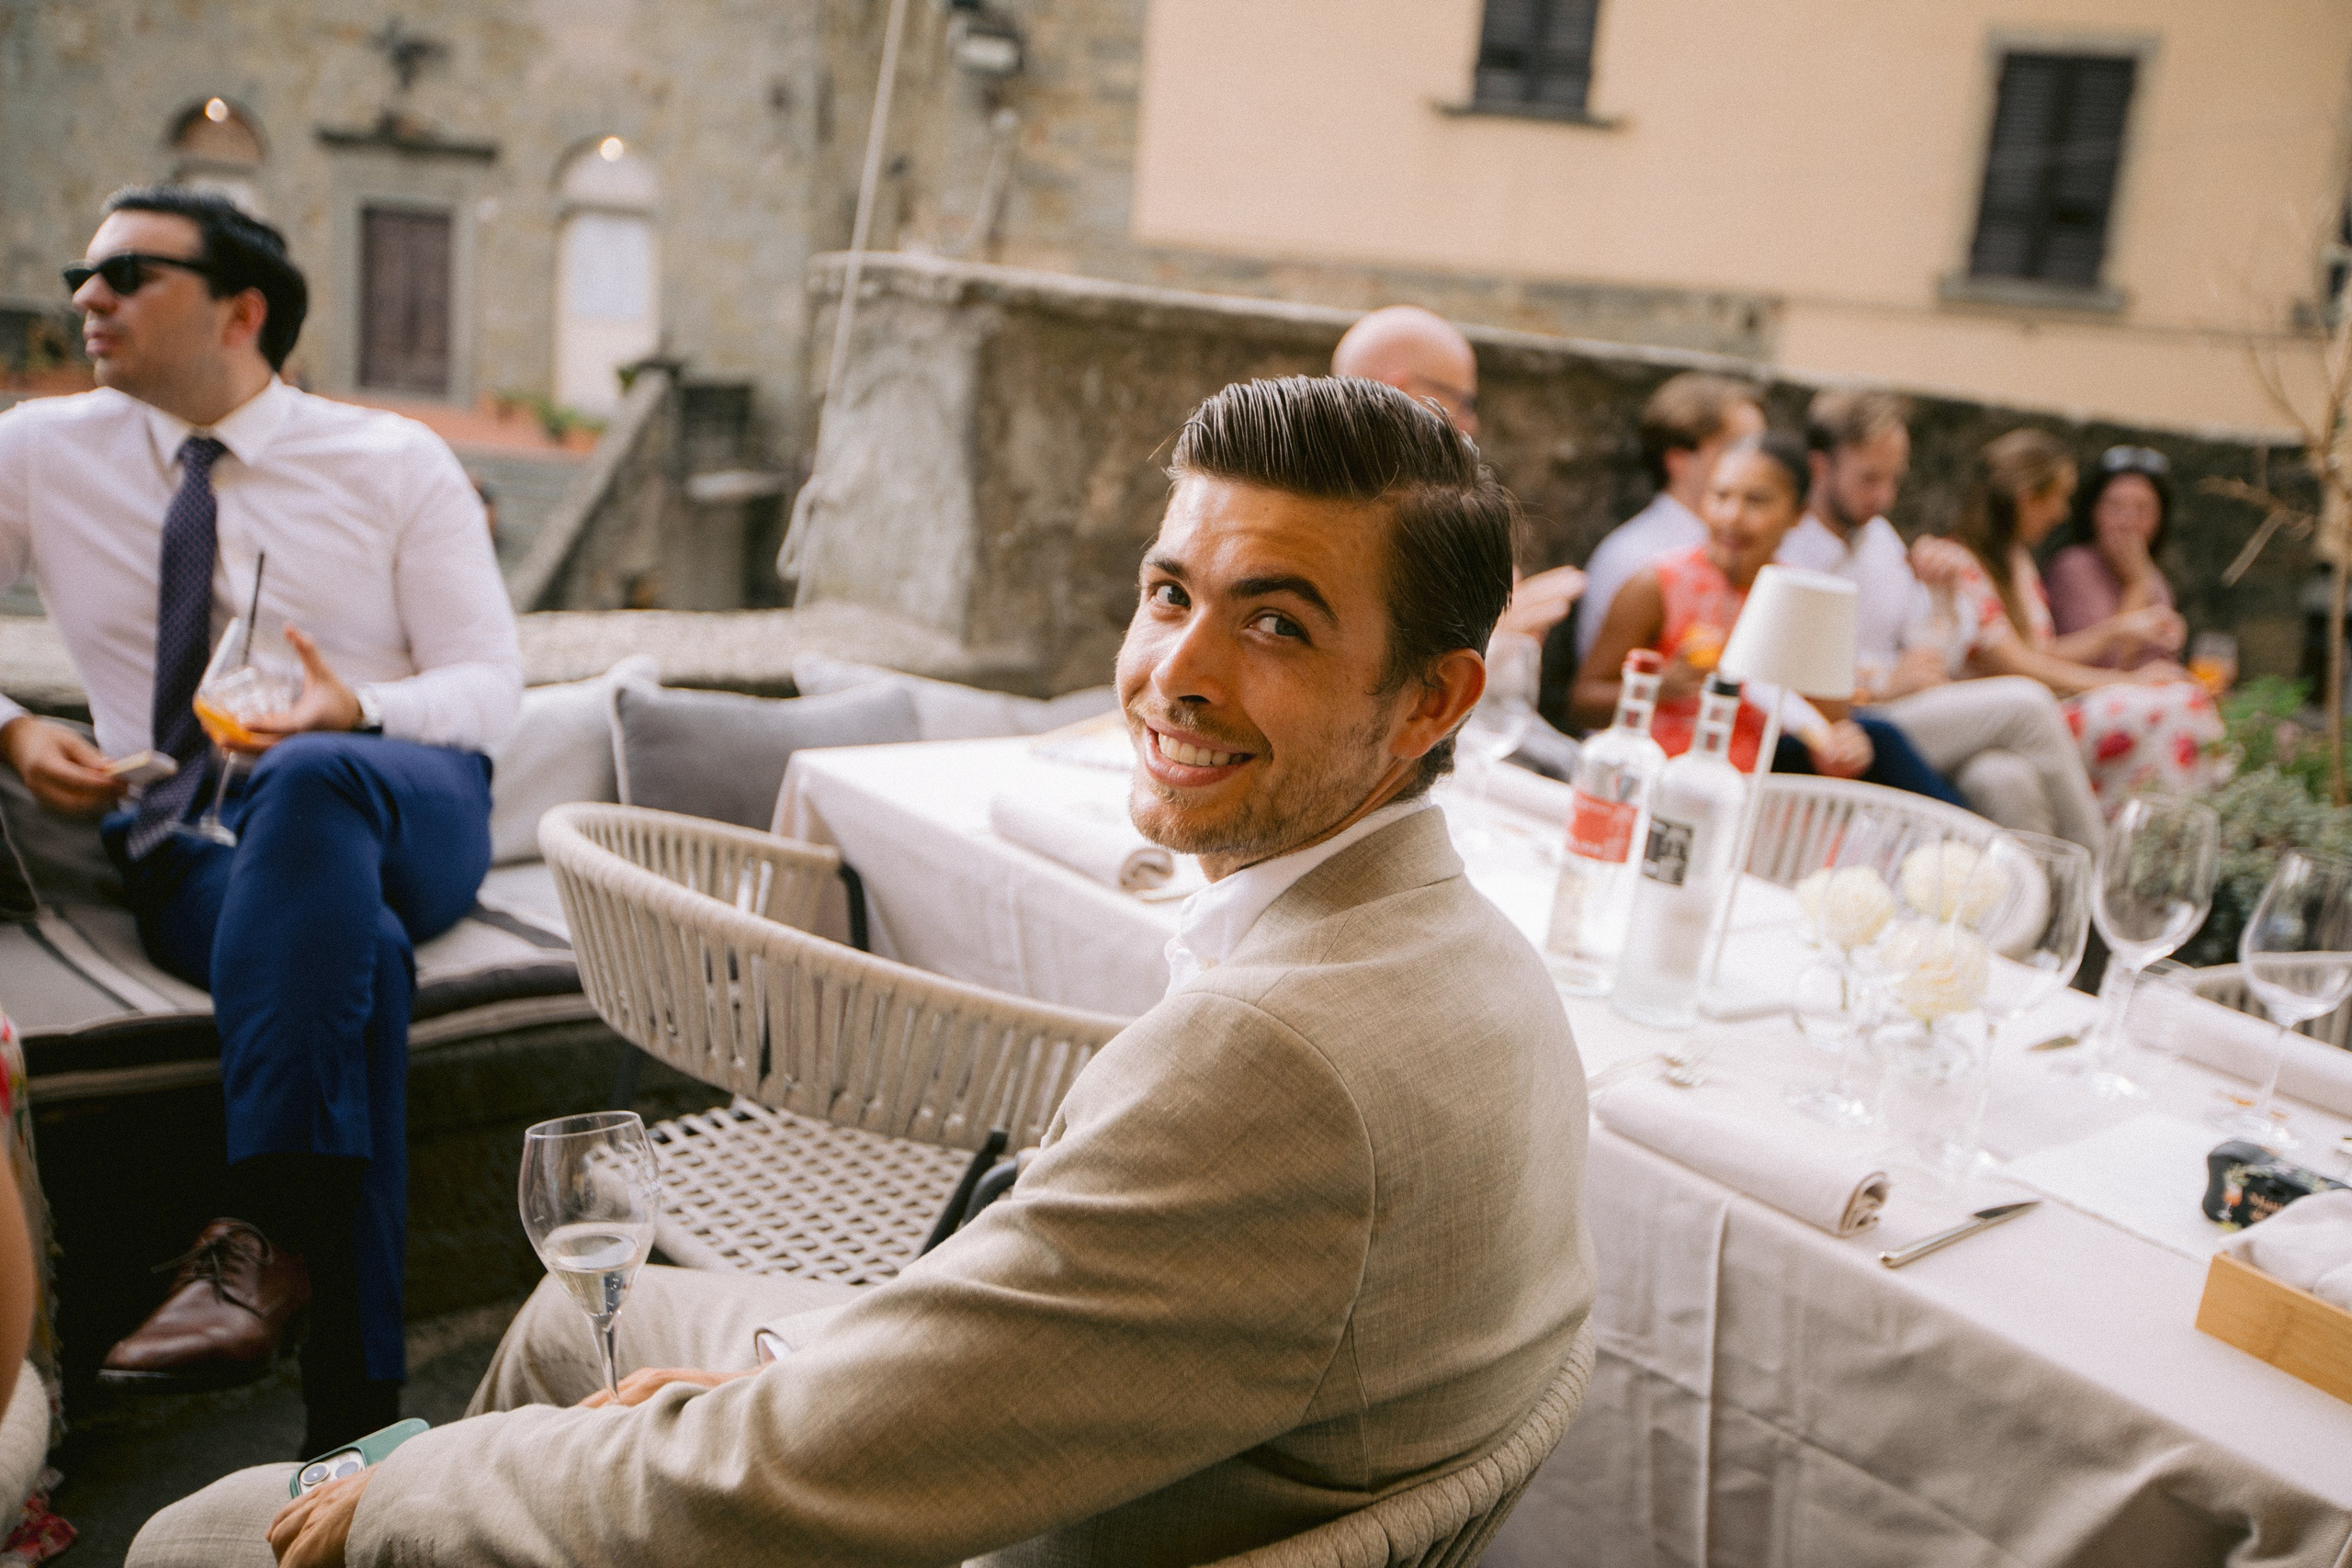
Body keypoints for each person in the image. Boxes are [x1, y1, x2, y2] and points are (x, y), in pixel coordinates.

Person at [134, 376, 1596, 1568]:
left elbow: (788, 1480)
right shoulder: (1475, 957)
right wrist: (808, 1387)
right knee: (601, 1318)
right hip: (1101, 1442)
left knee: (195, 1535)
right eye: (1168, 592)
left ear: (1430, 697)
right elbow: (1028, 1337)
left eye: (1276, 621)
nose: (1177, 671)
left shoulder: (1272, 1060)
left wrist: (412, 1501)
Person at [0, 188, 519, 1452]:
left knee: (314, 775)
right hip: (192, 843)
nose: (88, 297)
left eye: (128, 273)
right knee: (360, 961)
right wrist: (9, 726)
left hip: (406, 800)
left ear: (241, 310)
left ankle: (267, 1216)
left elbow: (490, 688)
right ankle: (358, 1430)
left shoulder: (395, 460)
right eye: (86, 270)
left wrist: (359, 705)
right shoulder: (38, 452)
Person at [1774, 390, 2107, 857]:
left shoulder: (1880, 540)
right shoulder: (1785, 548)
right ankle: (2104, 886)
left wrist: (1944, 592)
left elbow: (1937, 654)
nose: (1884, 496)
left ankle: (2051, 921)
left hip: (1910, 715)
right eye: (1869, 478)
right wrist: (1884, 686)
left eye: (1893, 480)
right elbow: (1778, 682)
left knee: (2003, 778)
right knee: (2027, 703)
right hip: (1848, 730)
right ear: (1820, 466)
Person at [1570, 433, 1961, 804]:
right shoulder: (1655, 584)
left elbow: (1832, 730)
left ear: (1797, 515)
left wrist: (1842, 751)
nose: (1731, 516)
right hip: (1658, 785)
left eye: (1756, 501)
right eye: (1720, 495)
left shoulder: (1805, 601)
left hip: (1761, 799)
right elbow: (1581, 704)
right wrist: (1664, 685)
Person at [1941, 429, 2220, 809]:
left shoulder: (2016, 562)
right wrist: (2128, 681)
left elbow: (2042, 653)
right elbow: (2023, 665)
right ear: (2027, 499)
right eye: (2058, 498)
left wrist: (2121, 630)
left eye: (2143, 509)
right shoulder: (1968, 566)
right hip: (2010, 721)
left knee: (2185, 702)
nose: (2062, 512)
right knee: (2176, 706)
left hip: (2044, 706)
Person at [1330, 305, 1586, 645]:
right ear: (1402, 391)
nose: (1471, 425)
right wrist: (1490, 643)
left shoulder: (1402, 495)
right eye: (1463, 403)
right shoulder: (1322, 498)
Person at [1575, 372, 1766, 667]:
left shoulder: (1750, 548)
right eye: (1736, 448)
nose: (1757, 464)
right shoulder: (1634, 555)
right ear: (1679, 461)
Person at [2044, 446, 2188, 670]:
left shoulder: (2154, 576)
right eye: (2115, 507)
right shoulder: (2073, 566)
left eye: (2142, 509)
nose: (2128, 522)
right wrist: (2137, 585)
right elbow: (2108, 664)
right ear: (2093, 512)